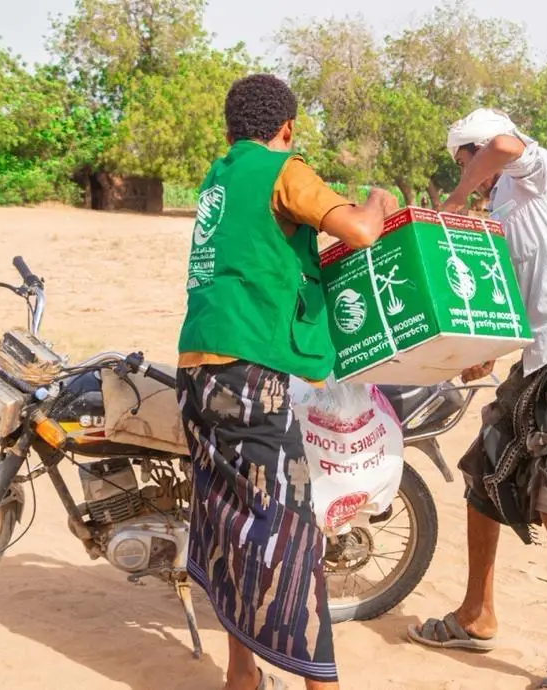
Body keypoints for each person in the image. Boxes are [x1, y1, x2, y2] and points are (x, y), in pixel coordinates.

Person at [175, 73, 398, 690]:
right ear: (287, 129)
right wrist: (377, 201)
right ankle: (317, 683)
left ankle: (240, 675)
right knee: (291, 537)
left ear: (229, 128)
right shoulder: (283, 169)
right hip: (253, 374)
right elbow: (359, 231)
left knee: (229, 524)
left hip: (197, 369)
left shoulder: (218, 178)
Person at [406, 108, 547, 690]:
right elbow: (519, 298)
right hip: (540, 354)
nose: (472, 174)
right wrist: (486, 354)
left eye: (468, 161)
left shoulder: (535, 172)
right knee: (483, 469)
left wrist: (457, 193)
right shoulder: (503, 209)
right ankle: (477, 615)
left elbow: (506, 144)